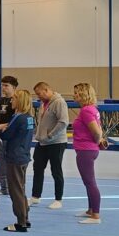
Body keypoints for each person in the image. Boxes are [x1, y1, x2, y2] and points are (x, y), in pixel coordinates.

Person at [0, 90, 35, 233]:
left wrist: (3, 129)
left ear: (20, 101)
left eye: (13, 98)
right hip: (23, 155)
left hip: (15, 157)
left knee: (15, 191)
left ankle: (21, 222)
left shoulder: (18, 118)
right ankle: (25, 218)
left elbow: (6, 135)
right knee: (20, 188)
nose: (11, 101)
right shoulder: (29, 118)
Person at [73, 83, 107, 224]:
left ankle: (96, 215)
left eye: (77, 93)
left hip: (86, 150)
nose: (74, 95)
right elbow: (99, 128)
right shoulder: (92, 109)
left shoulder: (86, 111)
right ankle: (90, 210)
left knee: (90, 182)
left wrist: (97, 140)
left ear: (83, 94)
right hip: (88, 149)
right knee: (88, 182)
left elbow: (97, 132)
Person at [31, 82, 70, 210]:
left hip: (56, 142)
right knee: (37, 168)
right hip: (42, 142)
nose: (38, 97)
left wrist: (50, 135)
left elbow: (63, 122)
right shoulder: (43, 103)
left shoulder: (59, 102)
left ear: (47, 90)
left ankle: (58, 199)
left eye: (39, 94)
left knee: (56, 170)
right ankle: (35, 196)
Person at [0, 75, 18, 195]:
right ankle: (4, 187)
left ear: (13, 87)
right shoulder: (0, 102)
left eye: (6, 86)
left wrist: (5, 125)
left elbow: (18, 119)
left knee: (11, 161)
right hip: (0, 135)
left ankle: (13, 185)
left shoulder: (17, 100)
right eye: (2, 85)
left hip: (12, 137)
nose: (3, 88)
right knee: (1, 161)